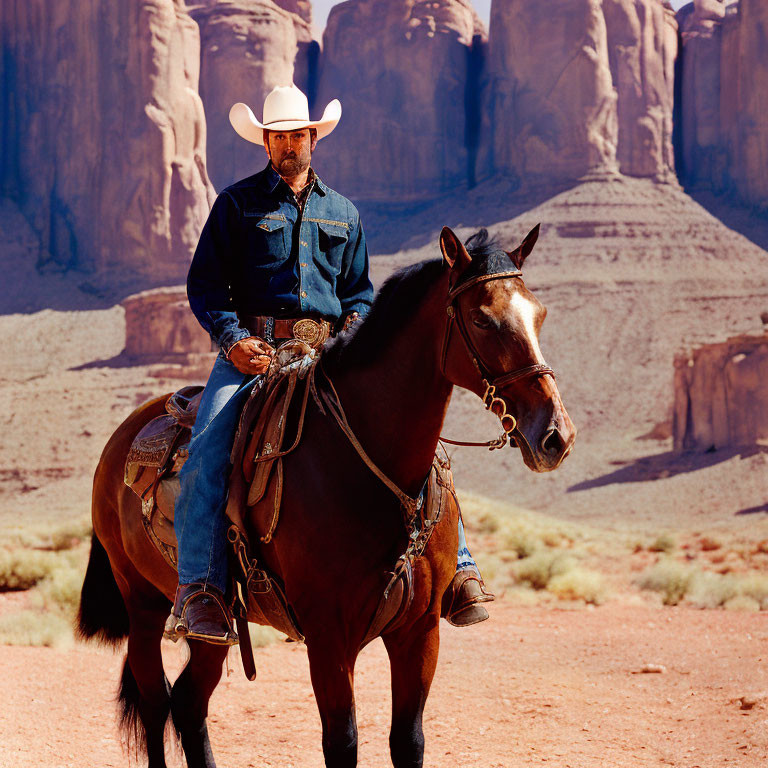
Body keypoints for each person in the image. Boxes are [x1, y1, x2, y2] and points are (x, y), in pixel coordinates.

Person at [168, 85, 493, 645]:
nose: (288, 144)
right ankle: (201, 590)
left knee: (424, 443)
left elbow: (360, 294)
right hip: (255, 355)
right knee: (208, 448)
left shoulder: (343, 212)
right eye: (277, 136)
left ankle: (457, 565)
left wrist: (353, 338)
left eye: (298, 134)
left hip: (331, 355)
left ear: (314, 138)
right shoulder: (236, 205)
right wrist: (232, 340)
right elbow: (205, 286)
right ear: (265, 141)